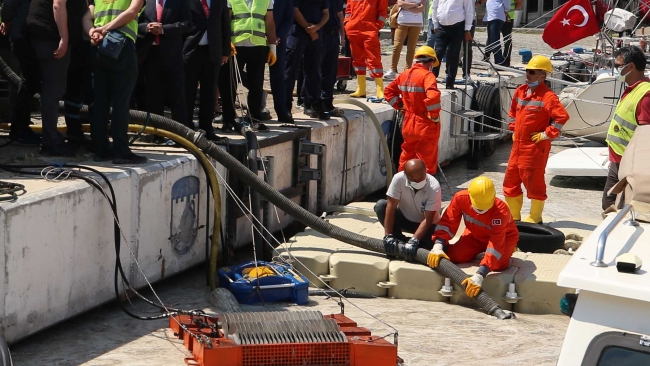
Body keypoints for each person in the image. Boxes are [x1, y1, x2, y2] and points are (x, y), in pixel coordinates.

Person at [426, 176, 519, 298]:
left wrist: (480, 274)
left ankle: (508, 254)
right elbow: (448, 223)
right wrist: (438, 246)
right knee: (455, 256)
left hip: (503, 238)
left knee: (497, 265)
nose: (480, 210)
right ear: (469, 194)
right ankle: (480, 254)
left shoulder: (501, 211)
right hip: (475, 235)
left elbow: (495, 244)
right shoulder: (460, 198)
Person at [503, 55, 569, 223]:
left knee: (534, 182)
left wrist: (546, 134)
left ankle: (535, 217)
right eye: (527, 71)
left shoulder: (548, 97)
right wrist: (513, 130)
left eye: (532, 72)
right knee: (510, 181)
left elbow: (562, 117)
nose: (528, 75)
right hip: (517, 145)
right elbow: (512, 114)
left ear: (543, 75)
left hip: (534, 147)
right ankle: (514, 217)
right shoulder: (520, 91)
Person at [83, 0, 148, 163]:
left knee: (100, 101)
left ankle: (101, 150)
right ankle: (121, 151)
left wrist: (92, 32)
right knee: (121, 102)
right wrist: (104, 29)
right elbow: (132, 12)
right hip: (122, 46)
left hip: (100, 47)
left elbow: (86, 17)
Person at [25, 0, 86, 156]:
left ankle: (50, 138)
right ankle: (51, 142)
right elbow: (58, 4)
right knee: (53, 90)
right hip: (51, 37)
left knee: (50, 89)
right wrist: (64, 39)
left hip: (42, 33)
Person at [602, 46, 650, 212]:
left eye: (617, 66)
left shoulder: (645, 95)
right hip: (617, 161)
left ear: (630, 67)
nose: (615, 70)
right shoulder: (631, 90)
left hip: (629, 167)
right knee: (608, 206)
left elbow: (646, 136)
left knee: (621, 209)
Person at [219, 0, 277, 131]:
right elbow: (225, 22)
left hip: (258, 47)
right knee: (228, 84)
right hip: (235, 47)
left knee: (256, 84)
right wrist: (226, 43)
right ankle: (228, 120)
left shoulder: (266, 1)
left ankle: (255, 118)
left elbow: (269, 23)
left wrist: (273, 47)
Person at [384, 46, 442, 175]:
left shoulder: (404, 74)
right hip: (425, 124)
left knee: (407, 154)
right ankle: (424, 188)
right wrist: (433, 116)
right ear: (431, 61)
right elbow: (433, 97)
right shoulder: (427, 75)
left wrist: (401, 106)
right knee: (426, 158)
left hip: (408, 123)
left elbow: (388, 92)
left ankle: (401, 183)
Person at [137, 0, 192, 129]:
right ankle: (156, 132)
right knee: (153, 94)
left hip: (173, 54)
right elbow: (136, 22)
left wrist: (163, 29)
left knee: (177, 94)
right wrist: (147, 27)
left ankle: (181, 131)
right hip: (150, 54)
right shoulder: (146, 2)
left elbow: (187, 24)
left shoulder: (179, 2)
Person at [375, 159, 442, 262]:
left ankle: (415, 243)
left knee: (439, 247)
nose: (418, 182)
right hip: (405, 219)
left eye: (421, 178)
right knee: (380, 206)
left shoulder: (434, 186)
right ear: (405, 175)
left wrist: (414, 240)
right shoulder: (398, 179)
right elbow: (391, 207)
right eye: (413, 180)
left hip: (427, 225)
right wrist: (388, 235)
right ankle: (396, 239)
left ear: (426, 172)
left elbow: (428, 220)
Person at [183, 0, 231, 140]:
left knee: (209, 92)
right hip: (191, 51)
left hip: (212, 52)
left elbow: (225, 25)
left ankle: (207, 128)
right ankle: (186, 127)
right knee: (188, 92)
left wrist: (225, 51)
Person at [0, 0, 42, 145]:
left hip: (25, 34)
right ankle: (20, 130)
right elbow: (9, 4)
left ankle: (18, 129)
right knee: (29, 82)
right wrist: (6, 20)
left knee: (29, 82)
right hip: (23, 35)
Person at [284, 0, 330, 120]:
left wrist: (317, 27)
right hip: (297, 33)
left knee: (313, 71)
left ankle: (313, 105)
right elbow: (295, 10)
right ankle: (285, 108)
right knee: (290, 72)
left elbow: (326, 13)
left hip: (316, 34)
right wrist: (308, 28)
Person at [343, 0, 388, 99]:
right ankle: (361, 89)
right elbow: (348, 10)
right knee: (357, 59)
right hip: (353, 29)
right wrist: (347, 23)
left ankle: (380, 89)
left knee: (374, 59)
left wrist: (377, 26)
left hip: (370, 30)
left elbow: (383, 12)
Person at [430, 0, 474, 89]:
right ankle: (431, 79)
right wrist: (435, 24)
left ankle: (450, 82)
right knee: (438, 52)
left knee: (453, 54)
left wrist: (467, 30)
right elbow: (435, 7)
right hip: (442, 27)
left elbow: (469, 11)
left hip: (457, 27)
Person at [384, 0, 425, 80]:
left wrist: (407, 7)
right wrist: (415, 4)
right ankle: (392, 69)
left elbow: (421, 8)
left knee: (411, 48)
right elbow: (400, 3)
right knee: (397, 46)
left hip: (417, 23)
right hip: (402, 22)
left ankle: (408, 70)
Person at [269, 0, 294, 123]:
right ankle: (256, 112)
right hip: (256, 41)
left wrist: (278, 36)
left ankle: (282, 112)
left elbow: (288, 19)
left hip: (278, 42)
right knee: (255, 79)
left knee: (278, 77)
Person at [319, 0, 345, 115]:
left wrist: (342, 35)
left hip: (333, 36)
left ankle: (327, 102)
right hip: (321, 34)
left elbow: (339, 14)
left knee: (331, 72)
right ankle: (313, 102)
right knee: (316, 71)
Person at [482, 0, 507, 66]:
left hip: (496, 15)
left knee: (495, 40)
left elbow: (507, 2)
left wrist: (506, 10)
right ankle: (486, 57)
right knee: (491, 39)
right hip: (490, 15)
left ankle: (499, 61)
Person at [501, 0, 521, 67]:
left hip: (509, 18)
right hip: (495, 16)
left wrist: (508, 11)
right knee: (492, 38)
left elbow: (519, 3)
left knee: (507, 39)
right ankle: (486, 56)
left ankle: (506, 60)